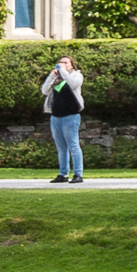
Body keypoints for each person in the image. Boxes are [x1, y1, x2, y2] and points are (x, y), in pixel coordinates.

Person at [41, 56, 87, 185]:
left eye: (65, 62)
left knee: (73, 145)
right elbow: (44, 91)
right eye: (60, 62)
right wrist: (51, 76)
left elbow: (73, 84)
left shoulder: (76, 76)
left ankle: (78, 174)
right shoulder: (56, 79)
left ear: (71, 65)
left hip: (71, 116)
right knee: (61, 147)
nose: (62, 64)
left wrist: (64, 72)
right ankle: (63, 174)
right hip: (55, 117)